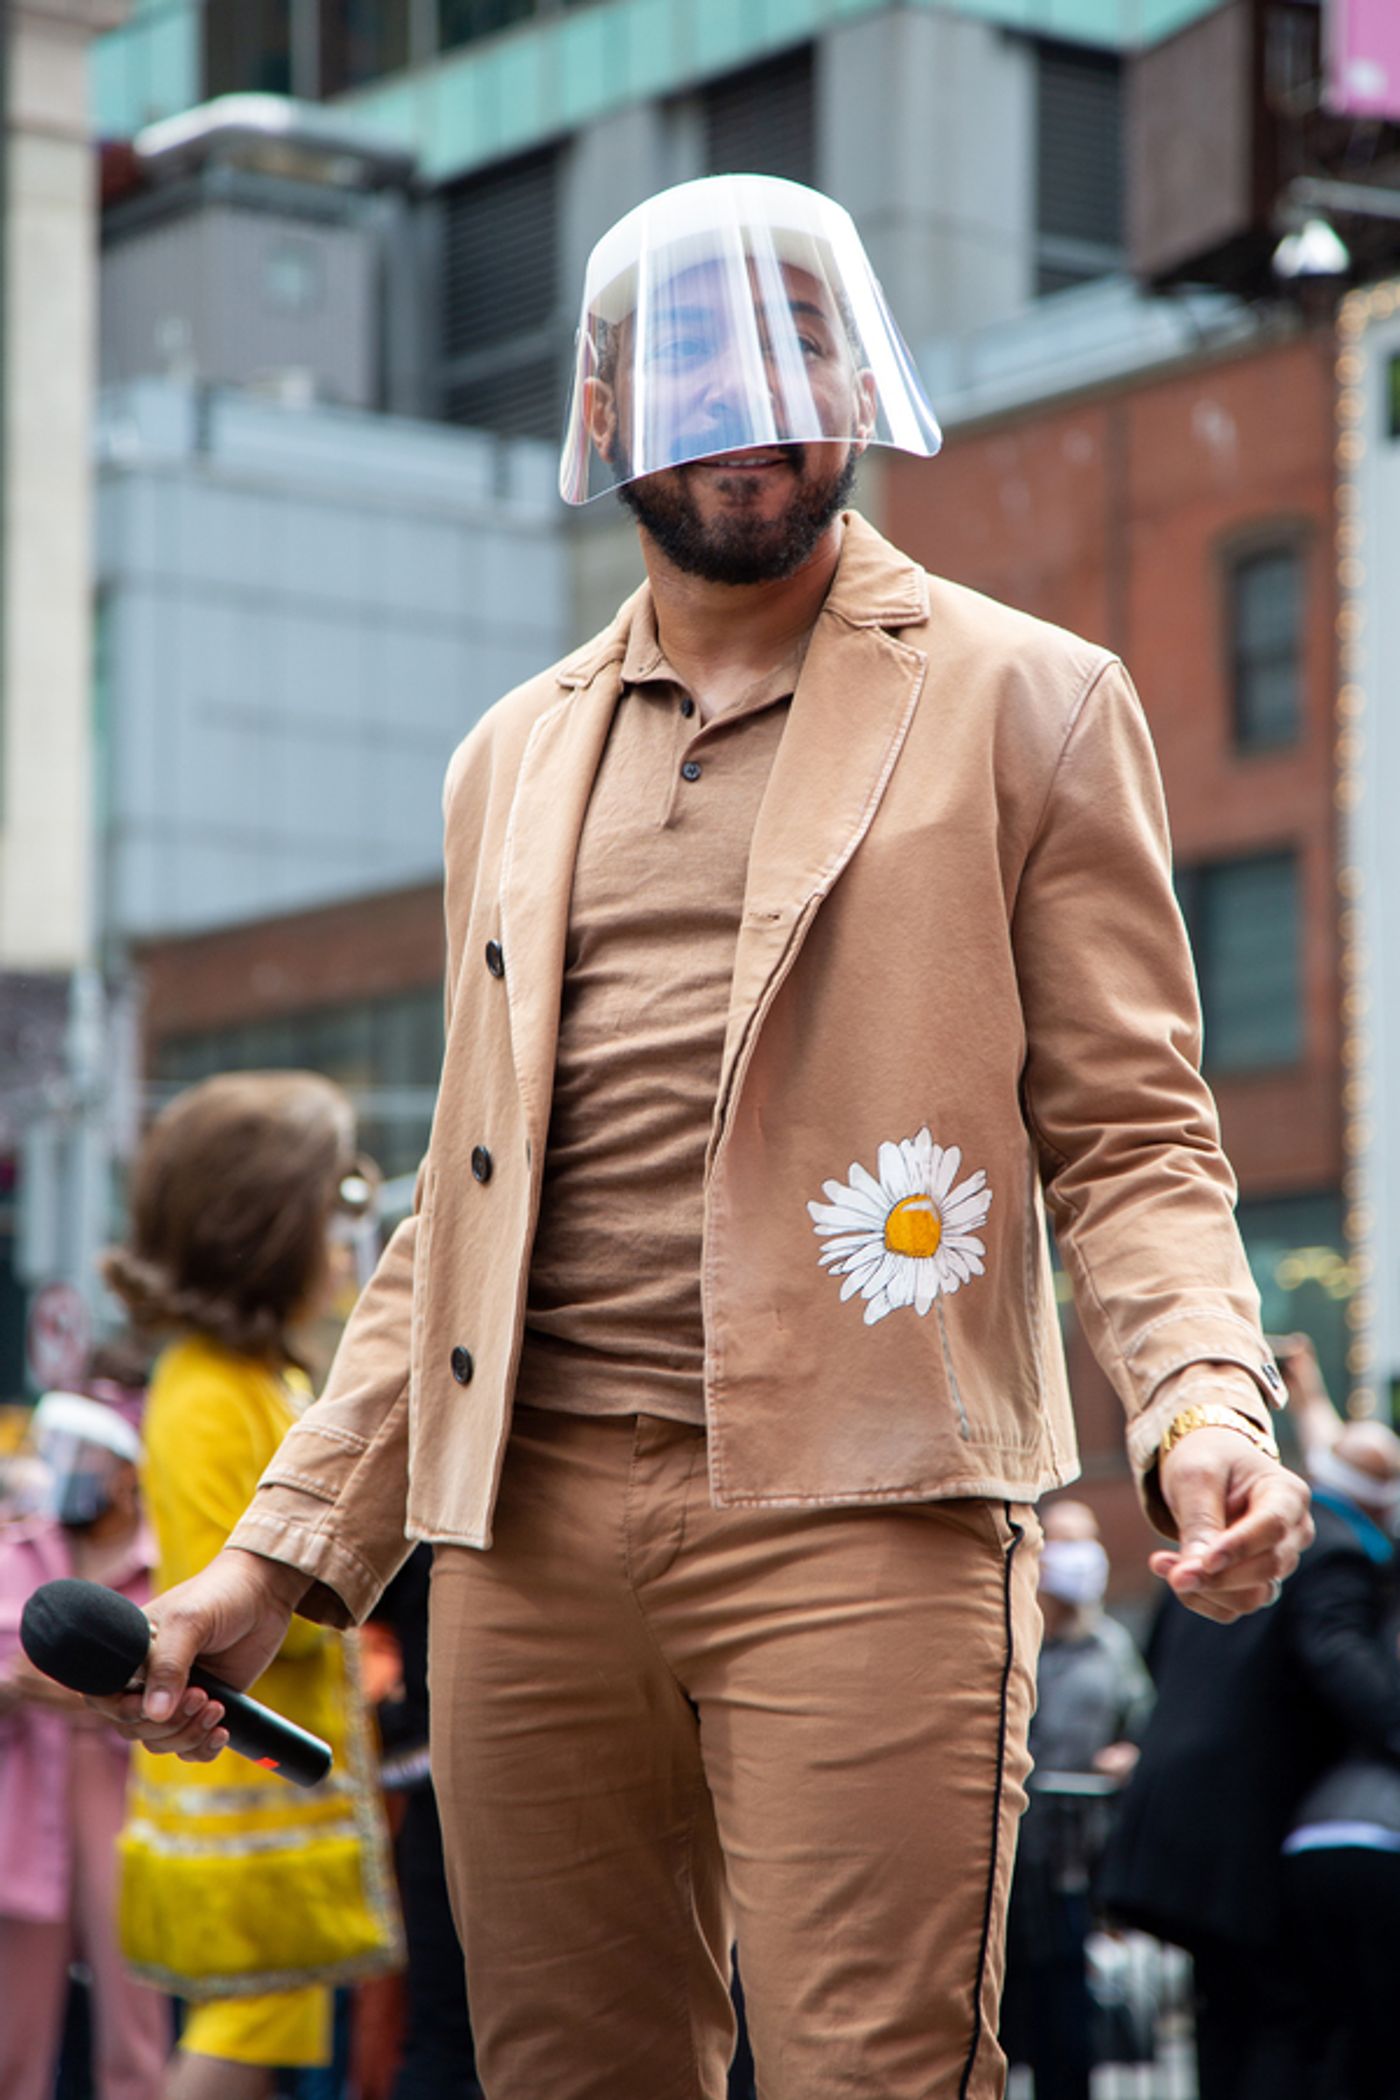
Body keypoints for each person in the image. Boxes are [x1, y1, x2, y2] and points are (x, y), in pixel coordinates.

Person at [95, 174, 1310, 2100]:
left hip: (872, 1504)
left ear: (859, 376)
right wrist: (279, 1557)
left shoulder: (1034, 703)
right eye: (690, 360)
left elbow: (1137, 1135)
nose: (750, 404)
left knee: (880, 2075)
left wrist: (1204, 1409)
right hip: (520, 1536)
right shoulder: (507, 756)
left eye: (798, 347)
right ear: (604, 400)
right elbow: (458, 1215)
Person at [102, 1072, 401, 2100]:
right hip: (244, 1776)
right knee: (249, 2029)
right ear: (264, 1230)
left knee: (267, 2026)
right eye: (336, 1210)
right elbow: (263, 1593)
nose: (345, 1242)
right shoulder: (212, 1392)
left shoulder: (253, 1376)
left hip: (269, 1775)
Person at [1098, 1353, 1400, 2100]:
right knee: (1277, 2024)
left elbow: (1160, 1655)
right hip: (1248, 1838)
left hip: (1182, 1831)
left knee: (1227, 2023)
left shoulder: (1254, 1544)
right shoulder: (1333, 1553)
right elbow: (1346, 1672)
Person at [0, 1390, 170, 2100]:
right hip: (21, 1796)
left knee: (134, 2018)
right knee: (12, 2027)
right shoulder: (13, 1553)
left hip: (126, 1791)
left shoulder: (165, 1567)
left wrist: (98, 1702)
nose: (64, 1472)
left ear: (127, 1471)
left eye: (83, 1458)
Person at [1000, 1499, 1152, 2099]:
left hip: (1070, 1861)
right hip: (1005, 1859)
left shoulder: (1111, 1647)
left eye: (1086, 1540)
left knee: (1067, 2012)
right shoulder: (1011, 1636)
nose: (1078, 1554)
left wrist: (1128, 1757)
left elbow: (1142, 1725)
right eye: (1063, 1539)